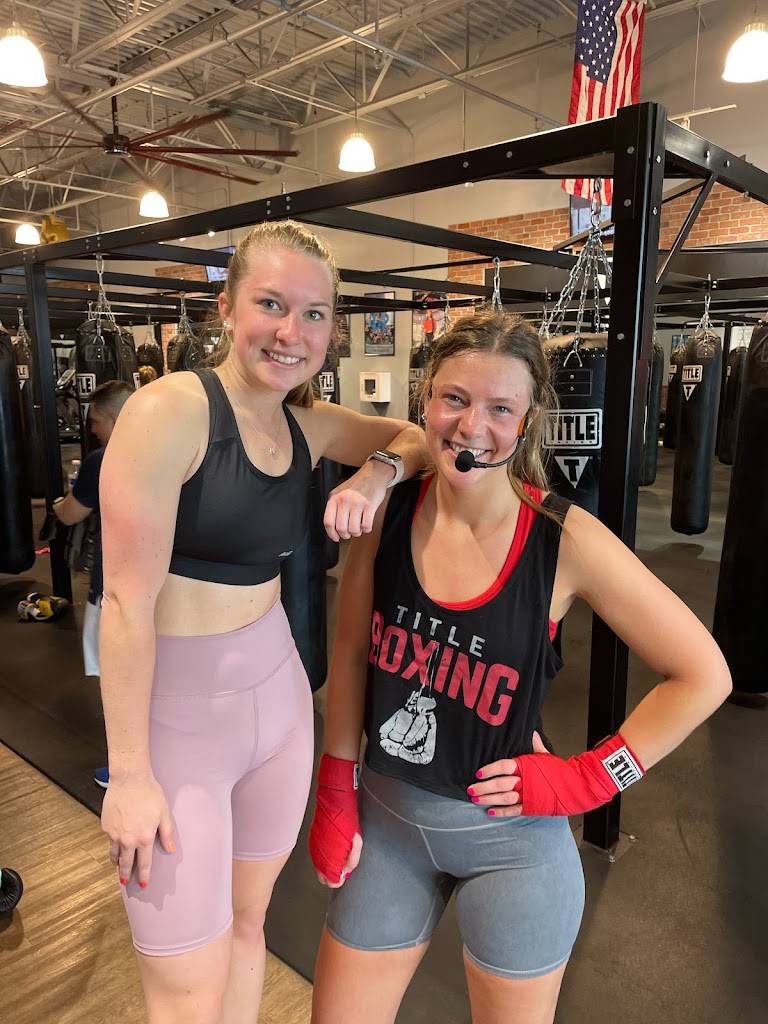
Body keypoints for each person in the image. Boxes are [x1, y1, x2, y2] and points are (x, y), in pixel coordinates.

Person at [308, 310, 732, 1024]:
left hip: (510, 844)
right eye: (454, 398)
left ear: (528, 420)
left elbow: (705, 676)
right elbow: (351, 652)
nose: (472, 425)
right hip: (386, 824)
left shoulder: (564, 538)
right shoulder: (388, 511)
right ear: (425, 400)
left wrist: (591, 779)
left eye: (500, 408)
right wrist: (335, 786)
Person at [97, 219, 425, 1024]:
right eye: (271, 304)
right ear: (227, 308)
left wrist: (375, 476)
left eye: (314, 314)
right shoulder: (170, 412)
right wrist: (130, 775)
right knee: (186, 985)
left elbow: (412, 437)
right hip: (179, 727)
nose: (291, 332)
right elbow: (126, 604)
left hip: (279, 708)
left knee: (250, 930)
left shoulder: (306, 426)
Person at [53, 379, 134, 788]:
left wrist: (57, 505)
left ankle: (125, 770)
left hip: (115, 583)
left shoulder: (103, 459)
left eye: (97, 422)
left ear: (115, 420)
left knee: (117, 677)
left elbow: (71, 514)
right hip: (166, 581)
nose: (93, 430)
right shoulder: (172, 449)